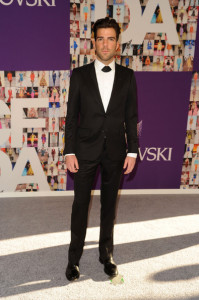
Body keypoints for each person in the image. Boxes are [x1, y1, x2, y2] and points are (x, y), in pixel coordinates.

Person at [64, 17, 138, 281]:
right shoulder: (80, 75)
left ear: (117, 44)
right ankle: (73, 259)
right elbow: (72, 117)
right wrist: (68, 151)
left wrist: (132, 151)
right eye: (100, 38)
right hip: (84, 151)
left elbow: (131, 116)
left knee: (109, 207)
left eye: (110, 39)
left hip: (116, 152)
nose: (105, 44)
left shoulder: (128, 77)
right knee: (80, 206)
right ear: (93, 41)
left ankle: (106, 256)